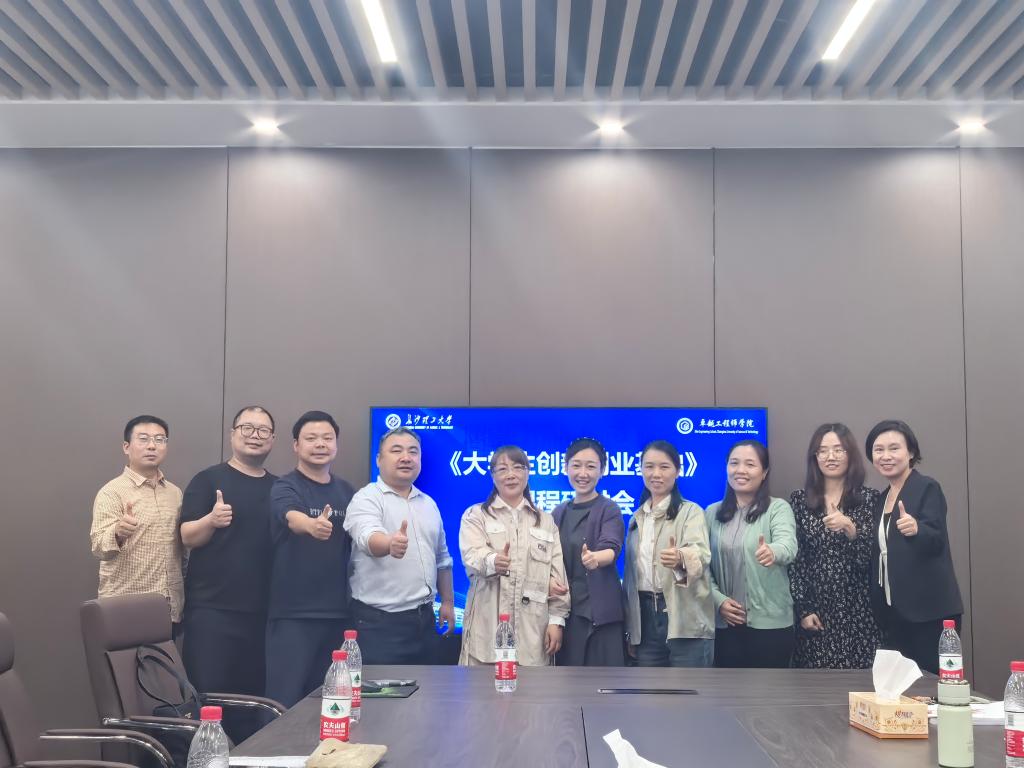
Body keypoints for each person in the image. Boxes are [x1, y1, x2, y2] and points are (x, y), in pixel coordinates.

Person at [179, 406, 276, 700]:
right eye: (247, 428)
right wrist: (211, 520)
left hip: (263, 614)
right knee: (209, 700)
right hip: (213, 612)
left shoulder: (279, 488)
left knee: (253, 702)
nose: (255, 435)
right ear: (232, 434)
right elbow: (187, 536)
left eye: (263, 430)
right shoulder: (208, 480)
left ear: (272, 439)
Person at [343, 427, 455, 664]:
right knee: (382, 689)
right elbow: (367, 537)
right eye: (396, 451)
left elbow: (442, 559)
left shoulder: (428, 504)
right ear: (379, 459)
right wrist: (389, 544)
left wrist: (447, 602)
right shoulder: (367, 498)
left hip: (425, 620)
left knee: (428, 687)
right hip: (379, 624)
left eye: (413, 452)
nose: (406, 457)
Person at [265, 411, 355, 707]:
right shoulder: (285, 486)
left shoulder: (346, 491)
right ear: (296, 445)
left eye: (327, 438)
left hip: (338, 613)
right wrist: (311, 525)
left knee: (330, 701)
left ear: (336, 445)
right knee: (284, 700)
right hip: (294, 613)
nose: (320, 444)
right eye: (311, 438)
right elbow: (290, 516)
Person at [458, 445, 569, 666]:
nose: (511, 475)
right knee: (482, 688)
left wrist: (557, 620)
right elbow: (472, 556)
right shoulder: (476, 515)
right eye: (502, 469)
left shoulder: (545, 521)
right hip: (486, 632)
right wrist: (493, 561)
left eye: (518, 468)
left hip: (533, 635)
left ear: (528, 473)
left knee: (533, 688)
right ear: (493, 476)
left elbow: (558, 577)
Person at [866, 419, 963, 674]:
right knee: (903, 687)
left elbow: (936, 538)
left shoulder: (926, 487)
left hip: (928, 612)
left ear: (910, 452)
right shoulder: (882, 498)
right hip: (895, 612)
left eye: (894, 448)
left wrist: (917, 529)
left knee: (932, 683)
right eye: (878, 450)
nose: (886, 456)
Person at [789, 423, 882, 669]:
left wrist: (851, 529)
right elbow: (797, 561)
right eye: (823, 450)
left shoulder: (870, 498)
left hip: (859, 611)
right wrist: (804, 609)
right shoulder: (799, 500)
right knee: (817, 685)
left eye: (839, 450)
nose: (831, 456)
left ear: (850, 454)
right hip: (817, 612)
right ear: (815, 457)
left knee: (860, 683)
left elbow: (872, 560)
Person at [706, 439, 797, 668]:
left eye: (750, 464)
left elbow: (788, 545)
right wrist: (718, 601)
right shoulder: (712, 513)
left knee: (769, 690)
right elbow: (702, 566)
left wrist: (772, 551)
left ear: (764, 472)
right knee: (729, 690)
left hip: (771, 627)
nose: (740, 470)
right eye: (734, 463)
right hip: (725, 624)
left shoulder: (777, 508)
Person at [621, 440, 714, 667]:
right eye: (649, 466)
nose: (656, 474)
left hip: (686, 618)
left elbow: (701, 553)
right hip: (645, 622)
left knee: (689, 688)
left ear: (678, 471)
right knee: (649, 689)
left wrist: (681, 557)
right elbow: (631, 579)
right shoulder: (636, 519)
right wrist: (631, 630)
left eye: (664, 467)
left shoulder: (691, 512)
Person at [90, 415, 184, 628]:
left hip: (169, 606)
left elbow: (181, 552)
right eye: (143, 439)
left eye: (160, 439)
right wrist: (117, 532)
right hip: (126, 606)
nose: (152, 446)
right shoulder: (112, 492)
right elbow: (98, 547)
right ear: (126, 447)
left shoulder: (175, 493)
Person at [551, 438, 625, 666]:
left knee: (604, 682)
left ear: (602, 471)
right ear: (566, 468)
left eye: (591, 466)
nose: (583, 473)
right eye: (576, 465)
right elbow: (547, 560)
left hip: (602, 617)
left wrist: (596, 558)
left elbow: (612, 547)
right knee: (568, 683)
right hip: (567, 614)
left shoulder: (609, 508)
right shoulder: (557, 513)